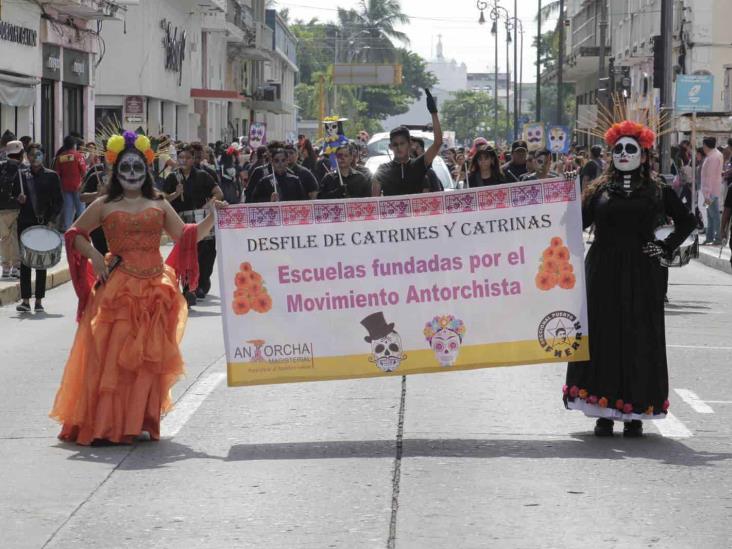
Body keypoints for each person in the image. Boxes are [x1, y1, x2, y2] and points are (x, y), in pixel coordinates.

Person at [50, 131, 225, 446]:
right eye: (125, 168)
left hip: (156, 288)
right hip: (118, 289)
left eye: (137, 168)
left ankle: (135, 419)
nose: (131, 174)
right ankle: (104, 424)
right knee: (114, 356)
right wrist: (94, 257)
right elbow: (75, 232)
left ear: (147, 169)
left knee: (147, 360)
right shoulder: (104, 203)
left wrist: (213, 217)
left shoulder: (158, 202)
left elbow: (187, 235)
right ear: (116, 171)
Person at [564, 120, 695, 437]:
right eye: (618, 149)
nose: (623, 154)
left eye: (630, 149)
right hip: (603, 273)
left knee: (638, 337)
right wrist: (565, 195)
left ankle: (636, 412)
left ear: (644, 154)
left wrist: (663, 247)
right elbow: (572, 227)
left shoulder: (657, 190)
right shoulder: (598, 190)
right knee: (604, 337)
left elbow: (687, 222)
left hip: (642, 273)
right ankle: (604, 413)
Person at [163, 144, 223, 305]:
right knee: (186, 254)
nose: (183, 160)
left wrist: (210, 204)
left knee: (206, 254)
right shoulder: (172, 178)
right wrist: (176, 193)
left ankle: (202, 283)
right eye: (180, 158)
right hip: (181, 222)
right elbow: (162, 200)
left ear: (193, 159)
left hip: (202, 220)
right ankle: (189, 288)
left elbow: (218, 193)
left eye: (187, 158)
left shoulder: (203, 175)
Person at [15, 144, 63, 313]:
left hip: (44, 224)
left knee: (41, 262)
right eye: (32, 154)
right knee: (25, 261)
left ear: (43, 156)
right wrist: (18, 199)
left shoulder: (52, 176)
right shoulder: (21, 176)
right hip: (25, 222)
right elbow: (12, 197)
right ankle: (25, 300)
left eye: (38, 154)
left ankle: (39, 301)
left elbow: (58, 201)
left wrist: (51, 220)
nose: (35, 157)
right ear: (27, 156)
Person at [372, 89, 442, 197]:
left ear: (409, 145)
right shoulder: (382, 169)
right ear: (390, 147)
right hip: (392, 214)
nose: (398, 148)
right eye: (395, 144)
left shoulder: (419, 164)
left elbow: (438, 143)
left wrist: (434, 113)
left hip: (416, 213)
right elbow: (374, 201)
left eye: (402, 144)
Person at [0, 140, 27, 279]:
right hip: (16, 207)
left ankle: (5, 268)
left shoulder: (2, 167)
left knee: (4, 238)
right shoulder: (22, 168)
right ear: (21, 153)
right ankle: (16, 267)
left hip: (1, 208)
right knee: (15, 236)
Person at [80, 147, 110, 256]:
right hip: (97, 225)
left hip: (118, 225)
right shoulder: (95, 176)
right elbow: (82, 197)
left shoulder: (124, 178)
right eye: (109, 156)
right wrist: (96, 194)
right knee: (102, 256)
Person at [54, 135, 87, 231]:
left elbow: (57, 173)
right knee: (80, 209)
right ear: (74, 145)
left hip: (65, 186)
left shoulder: (60, 157)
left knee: (68, 209)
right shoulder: (78, 156)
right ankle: (82, 229)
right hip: (78, 186)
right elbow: (84, 171)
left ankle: (67, 229)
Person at [701, 137, 723, 245]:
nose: (702, 147)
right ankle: (710, 237)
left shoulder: (713, 157)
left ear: (706, 145)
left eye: (703, 145)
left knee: (713, 215)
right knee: (710, 215)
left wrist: (707, 194)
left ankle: (717, 238)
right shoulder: (715, 155)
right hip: (710, 192)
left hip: (710, 192)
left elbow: (710, 176)